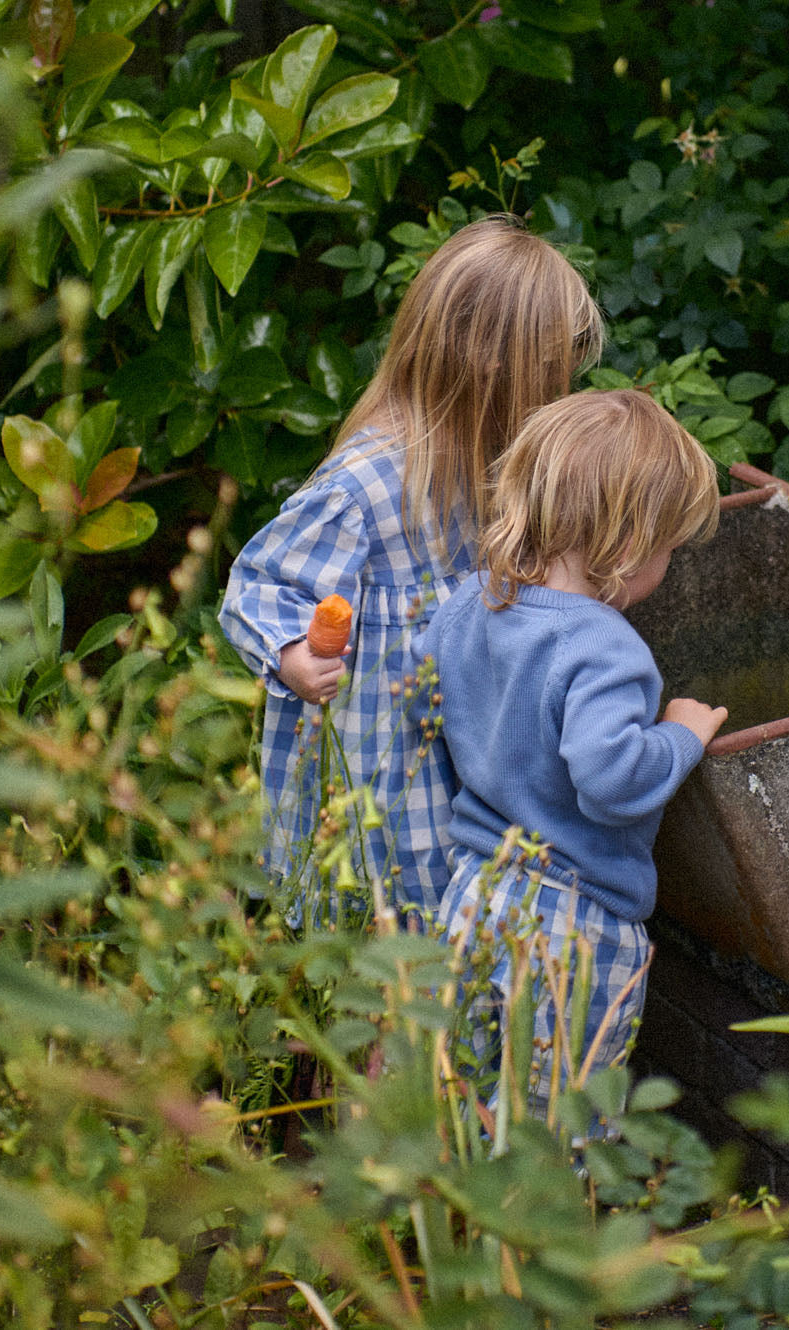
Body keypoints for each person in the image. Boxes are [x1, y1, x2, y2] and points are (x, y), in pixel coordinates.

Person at [218, 215, 603, 927]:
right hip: (380, 764)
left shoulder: (484, 463)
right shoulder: (364, 487)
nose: (557, 392)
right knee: (381, 913)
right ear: (492, 363)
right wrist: (295, 655)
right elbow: (259, 587)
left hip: (450, 746)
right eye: (549, 373)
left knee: (445, 910)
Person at [416, 388, 727, 1126]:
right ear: (627, 550)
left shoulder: (472, 602)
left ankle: (444, 1199)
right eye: (669, 549)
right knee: (559, 1125)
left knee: (460, 1099)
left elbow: (429, 692)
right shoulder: (603, 646)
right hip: (573, 925)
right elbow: (611, 780)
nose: (670, 564)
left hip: (476, 896)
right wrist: (682, 734)